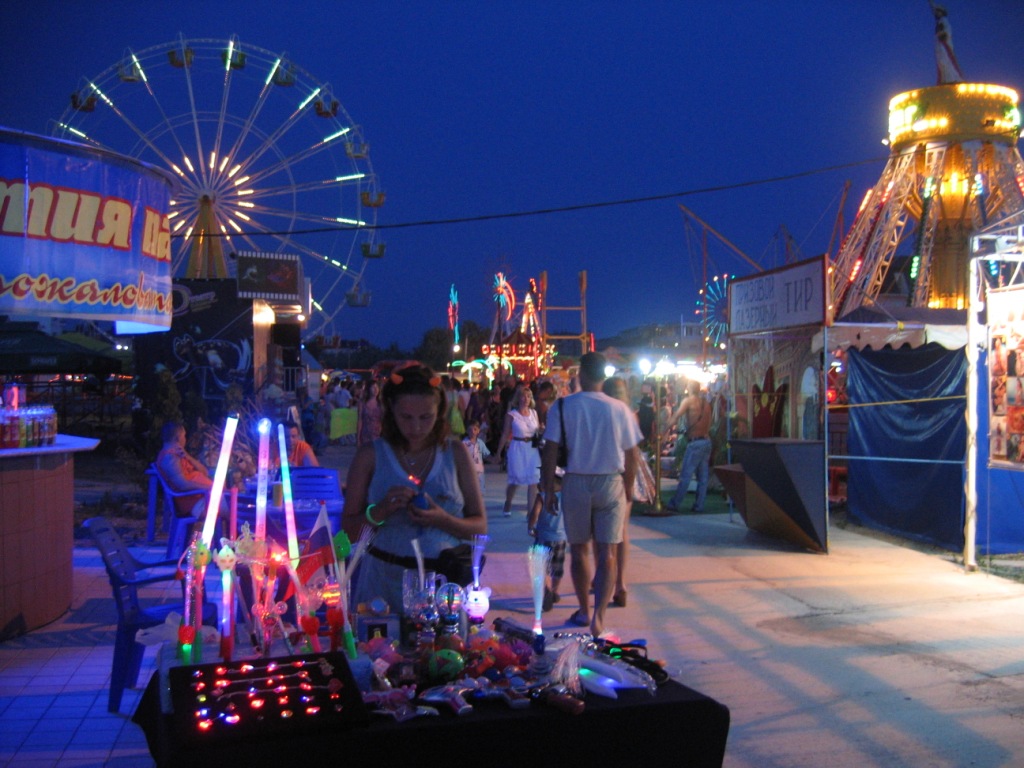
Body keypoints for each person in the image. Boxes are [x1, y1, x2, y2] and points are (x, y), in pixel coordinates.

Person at [342, 362, 487, 616]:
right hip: (383, 586)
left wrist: (442, 519)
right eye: (406, 417)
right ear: (391, 412)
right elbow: (348, 532)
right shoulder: (371, 456)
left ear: (439, 412)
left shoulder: (455, 453)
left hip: (443, 588)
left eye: (425, 417)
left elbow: (480, 526)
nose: (416, 427)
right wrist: (382, 510)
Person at [540, 352, 642, 638]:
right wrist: (629, 486)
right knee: (607, 552)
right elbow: (632, 452)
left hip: (576, 481)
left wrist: (548, 489)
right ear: (604, 376)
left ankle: (584, 610)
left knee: (579, 549)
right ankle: (599, 616)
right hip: (611, 481)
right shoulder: (619, 408)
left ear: (581, 375)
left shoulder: (563, 407)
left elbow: (550, 451)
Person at [601, 376, 635, 608]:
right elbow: (633, 450)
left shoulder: (605, 413)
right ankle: (620, 583)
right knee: (621, 531)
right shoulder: (629, 414)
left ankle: (604, 577)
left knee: (602, 532)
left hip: (608, 472)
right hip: (625, 472)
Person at [666, 381, 713, 513]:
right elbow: (709, 422)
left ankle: (675, 503)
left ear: (688, 388)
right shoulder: (706, 404)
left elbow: (676, 416)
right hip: (706, 441)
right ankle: (699, 505)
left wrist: (663, 430)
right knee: (703, 477)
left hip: (695, 443)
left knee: (686, 475)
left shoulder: (688, 401)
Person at [496, 386, 541, 517]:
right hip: (517, 447)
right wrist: (498, 452)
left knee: (533, 481)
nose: (526, 399)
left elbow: (537, 432)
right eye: (523, 396)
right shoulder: (512, 415)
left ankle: (531, 511)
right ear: (518, 398)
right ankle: (508, 502)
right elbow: (505, 434)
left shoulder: (534, 413)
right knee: (515, 480)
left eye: (528, 396)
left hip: (532, 448)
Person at [155, 421, 213, 517]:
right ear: (178, 438)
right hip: (196, 502)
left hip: (204, 497)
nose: (185, 439)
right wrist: (212, 489)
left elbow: (204, 472)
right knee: (238, 508)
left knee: (238, 505)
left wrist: (187, 456)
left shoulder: (178, 455)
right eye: (184, 436)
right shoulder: (169, 458)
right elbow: (183, 485)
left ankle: (241, 531)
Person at [527, 471, 567, 613]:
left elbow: (534, 514)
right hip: (561, 538)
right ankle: (555, 591)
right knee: (557, 568)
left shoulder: (542, 497)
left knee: (541, 567)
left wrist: (531, 527)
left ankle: (547, 589)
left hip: (543, 537)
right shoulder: (565, 496)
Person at [462, 418, 490, 496]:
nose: (472, 432)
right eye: (470, 430)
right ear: (466, 431)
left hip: (479, 471)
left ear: (478, 431)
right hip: (468, 471)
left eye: (475, 429)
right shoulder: (464, 443)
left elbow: (486, 454)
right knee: (469, 491)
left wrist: (495, 459)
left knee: (480, 491)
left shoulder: (480, 443)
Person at [356, 379, 383, 447]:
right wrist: (358, 437)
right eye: (373, 387)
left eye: (377, 387)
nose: (375, 389)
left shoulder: (381, 403)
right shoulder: (362, 403)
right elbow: (360, 420)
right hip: (366, 434)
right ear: (368, 389)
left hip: (378, 434)